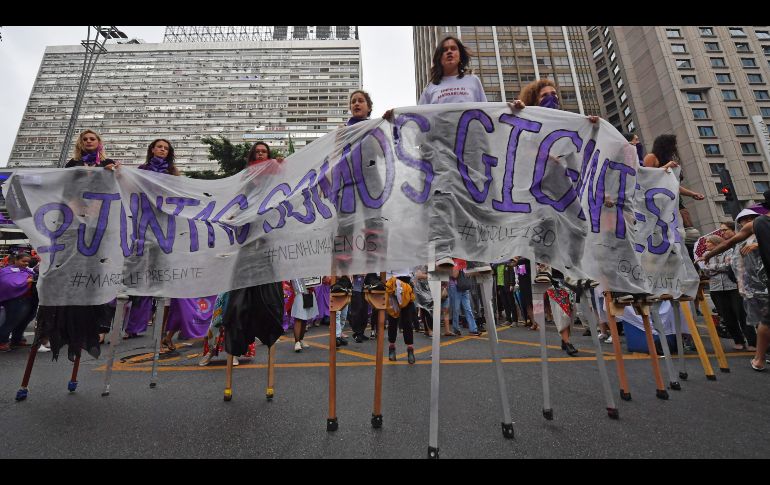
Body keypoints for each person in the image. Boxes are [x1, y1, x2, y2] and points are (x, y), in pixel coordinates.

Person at [36, 129, 118, 361]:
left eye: (93, 139)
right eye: (85, 139)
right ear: (80, 143)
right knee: (67, 271)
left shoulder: (108, 164)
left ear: (99, 142)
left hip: (99, 223)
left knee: (96, 271)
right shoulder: (72, 165)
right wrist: (79, 211)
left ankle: (96, 325)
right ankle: (56, 327)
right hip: (73, 222)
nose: (89, 141)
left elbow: (112, 191)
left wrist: (114, 174)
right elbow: (67, 192)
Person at [134, 139, 214, 350]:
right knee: (161, 291)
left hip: (169, 231)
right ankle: (162, 334)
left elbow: (181, 197)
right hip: (146, 228)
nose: (162, 150)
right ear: (152, 149)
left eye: (166, 148)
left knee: (174, 294)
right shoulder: (141, 171)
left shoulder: (173, 174)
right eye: (159, 147)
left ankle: (166, 335)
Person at [699, 210, 770, 370]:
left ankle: (759, 358)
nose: (745, 222)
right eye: (742, 220)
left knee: (763, 320)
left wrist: (758, 245)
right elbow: (730, 251)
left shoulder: (757, 226)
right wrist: (709, 255)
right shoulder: (753, 228)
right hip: (758, 284)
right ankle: (759, 357)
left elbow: (727, 248)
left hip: (759, 283)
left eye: (749, 219)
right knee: (763, 320)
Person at [643, 135, 705, 238]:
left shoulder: (668, 160)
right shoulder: (651, 157)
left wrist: (693, 194)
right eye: (673, 144)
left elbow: (674, 185)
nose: (675, 147)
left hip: (674, 199)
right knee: (666, 230)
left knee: (690, 230)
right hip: (658, 200)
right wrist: (667, 166)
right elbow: (647, 177)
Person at [702, 235, 754, 350]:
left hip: (733, 287)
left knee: (742, 314)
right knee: (727, 317)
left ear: (716, 243)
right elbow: (705, 271)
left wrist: (713, 268)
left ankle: (752, 342)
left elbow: (729, 266)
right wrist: (718, 267)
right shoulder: (706, 255)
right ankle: (738, 341)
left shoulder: (730, 251)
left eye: (708, 242)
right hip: (716, 289)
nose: (706, 244)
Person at [0, 253, 37, 352]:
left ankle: (17, 339)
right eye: (23, 261)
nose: (26, 263)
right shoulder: (7, 270)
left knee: (24, 320)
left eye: (28, 262)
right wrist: (26, 282)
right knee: (11, 321)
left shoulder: (28, 270)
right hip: (15, 299)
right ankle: (2, 341)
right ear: (16, 260)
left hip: (29, 298)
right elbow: (8, 284)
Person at [385, 273, 417, 364]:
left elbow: (414, 273)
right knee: (392, 321)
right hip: (392, 286)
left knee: (407, 322)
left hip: (406, 287)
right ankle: (392, 348)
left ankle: (410, 350)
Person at [290, 278, 317, 352]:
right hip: (299, 292)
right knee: (298, 317)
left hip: (309, 291)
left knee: (305, 318)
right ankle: (297, 342)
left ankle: (301, 339)